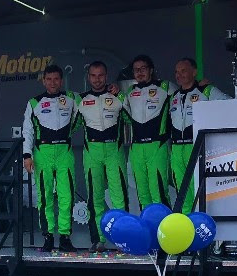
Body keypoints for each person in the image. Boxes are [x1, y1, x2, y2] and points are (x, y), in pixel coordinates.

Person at [22, 64, 78, 252]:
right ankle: (47, 237)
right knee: (45, 197)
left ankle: (65, 236)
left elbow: (85, 111)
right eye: (49, 79)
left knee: (66, 195)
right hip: (42, 152)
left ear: (61, 81)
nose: (52, 83)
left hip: (64, 152)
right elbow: (28, 130)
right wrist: (27, 155)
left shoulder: (71, 99)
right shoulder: (34, 102)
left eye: (56, 79)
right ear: (43, 81)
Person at [76, 61, 128, 252]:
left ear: (106, 76)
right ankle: (98, 240)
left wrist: (120, 95)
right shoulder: (80, 100)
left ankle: (123, 239)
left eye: (100, 75)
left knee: (119, 197)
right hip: (92, 152)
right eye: (93, 75)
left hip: (114, 150)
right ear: (88, 77)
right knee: (95, 197)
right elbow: (69, 125)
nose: (97, 79)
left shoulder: (117, 97)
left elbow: (132, 117)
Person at [169, 57, 231, 213]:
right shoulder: (174, 96)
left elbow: (229, 103)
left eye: (183, 70)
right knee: (182, 189)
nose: (179, 75)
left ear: (194, 72)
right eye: (176, 72)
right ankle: (186, 221)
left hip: (196, 146)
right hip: (176, 148)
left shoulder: (206, 90)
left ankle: (201, 220)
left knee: (199, 186)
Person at [123, 54, 172, 209]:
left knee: (159, 191)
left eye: (143, 68)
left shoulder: (165, 86)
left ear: (151, 70)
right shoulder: (130, 91)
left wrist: (200, 84)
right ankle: (148, 224)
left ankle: (165, 224)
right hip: (136, 147)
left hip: (157, 145)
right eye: (136, 70)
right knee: (142, 193)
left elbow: (187, 93)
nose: (139, 72)